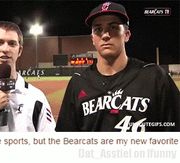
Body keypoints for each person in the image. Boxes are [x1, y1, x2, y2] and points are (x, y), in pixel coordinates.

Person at [56, 1, 180, 132]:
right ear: (92, 38)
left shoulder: (155, 77)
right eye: (98, 29)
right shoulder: (78, 82)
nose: (105, 35)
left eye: (113, 27)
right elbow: (66, 142)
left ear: (126, 35)